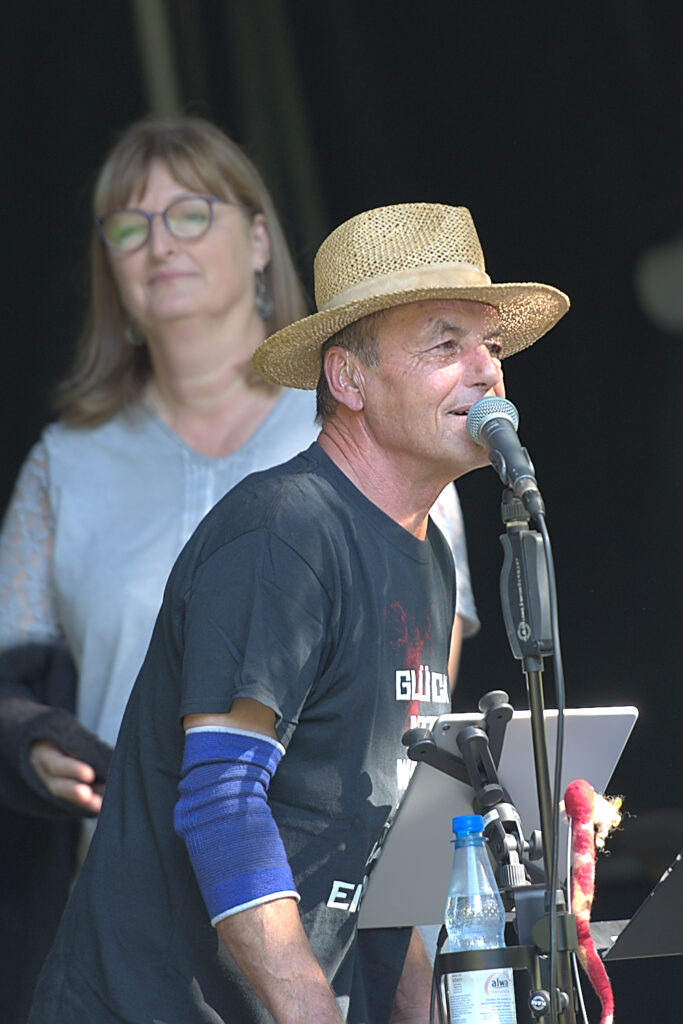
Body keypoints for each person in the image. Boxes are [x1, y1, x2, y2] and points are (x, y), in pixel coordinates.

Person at [28, 201, 569, 1024]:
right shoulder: (283, 531)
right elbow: (221, 801)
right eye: (444, 345)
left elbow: (387, 835)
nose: (486, 371)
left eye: (490, 346)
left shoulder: (429, 557)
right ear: (347, 379)